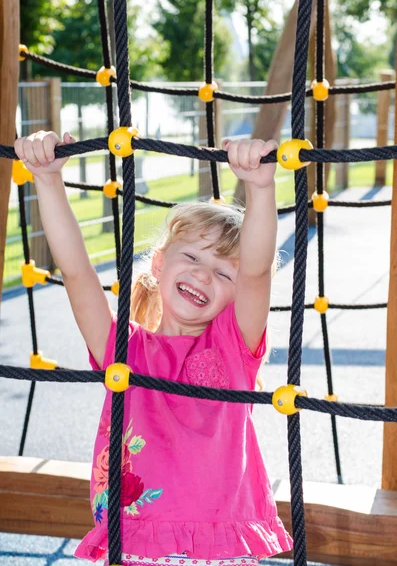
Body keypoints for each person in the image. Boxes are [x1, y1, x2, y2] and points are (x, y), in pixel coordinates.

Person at [14, 131, 293, 565]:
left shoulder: (233, 347)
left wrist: (260, 189)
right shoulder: (124, 351)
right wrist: (48, 182)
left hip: (218, 547)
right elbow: (76, 272)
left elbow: (256, 273)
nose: (203, 276)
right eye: (194, 258)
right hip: (137, 543)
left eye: (224, 274)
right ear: (159, 264)